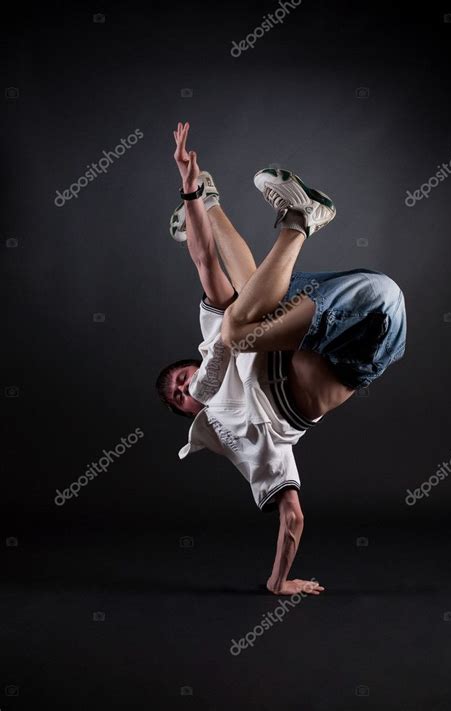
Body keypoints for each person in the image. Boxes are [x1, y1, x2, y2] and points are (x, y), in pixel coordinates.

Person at [156, 121, 407, 596]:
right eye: (177, 396)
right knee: (239, 320)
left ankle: (213, 199)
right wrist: (278, 581)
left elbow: (205, 261)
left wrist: (188, 193)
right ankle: (297, 220)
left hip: (335, 301)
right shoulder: (240, 443)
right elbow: (292, 517)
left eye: (181, 376)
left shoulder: (213, 342)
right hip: (367, 340)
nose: (182, 386)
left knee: (238, 314)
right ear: (187, 414)